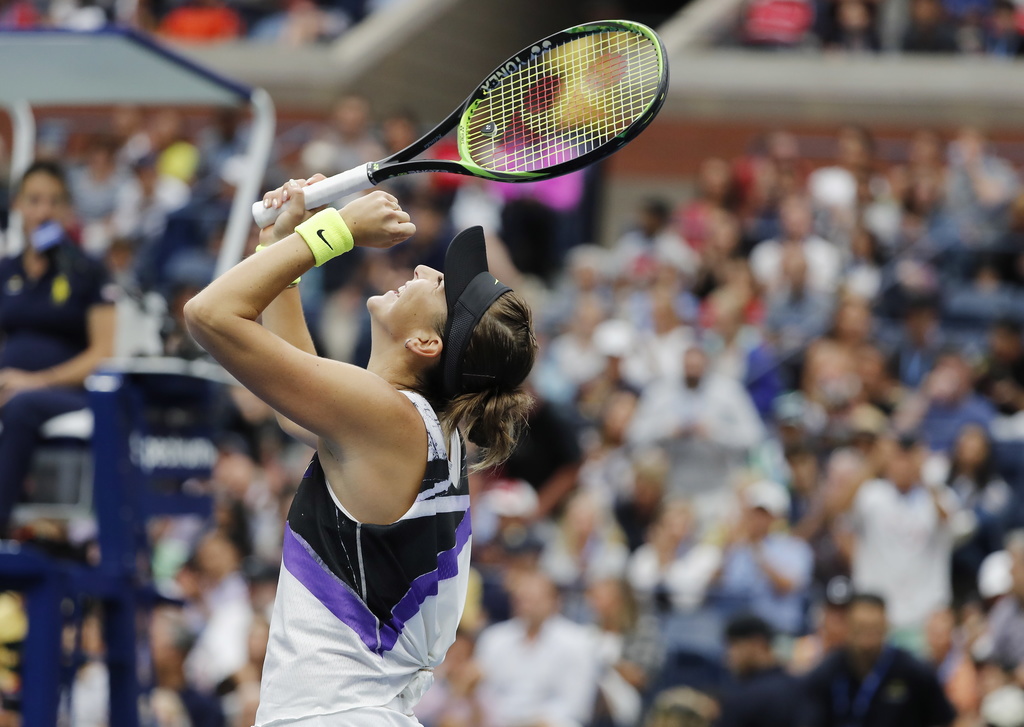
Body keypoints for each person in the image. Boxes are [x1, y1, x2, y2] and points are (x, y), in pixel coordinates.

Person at [183, 176, 537, 725]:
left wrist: (336, 231)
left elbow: (209, 314)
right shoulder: (409, 427)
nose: (422, 269)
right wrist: (285, 242)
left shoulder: (387, 418)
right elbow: (291, 400)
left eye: (438, 284)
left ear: (426, 343)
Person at [0, 160, 117, 537]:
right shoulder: (6, 270)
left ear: (66, 210)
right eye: (34, 200)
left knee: (21, 407)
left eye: (53, 201)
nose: (43, 211)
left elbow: (103, 352)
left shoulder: (85, 270)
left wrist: (37, 381)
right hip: (12, 387)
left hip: (68, 394)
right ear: (18, 205)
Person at [799, 593, 956, 727]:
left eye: (874, 630)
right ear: (848, 627)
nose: (867, 641)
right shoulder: (828, 672)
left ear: (886, 627)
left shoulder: (914, 672)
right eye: (860, 629)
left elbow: (944, 719)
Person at [716, 614, 802, 727]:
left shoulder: (744, 699)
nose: (728, 656)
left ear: (757, 643)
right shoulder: (798, 687)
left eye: (734, 645)